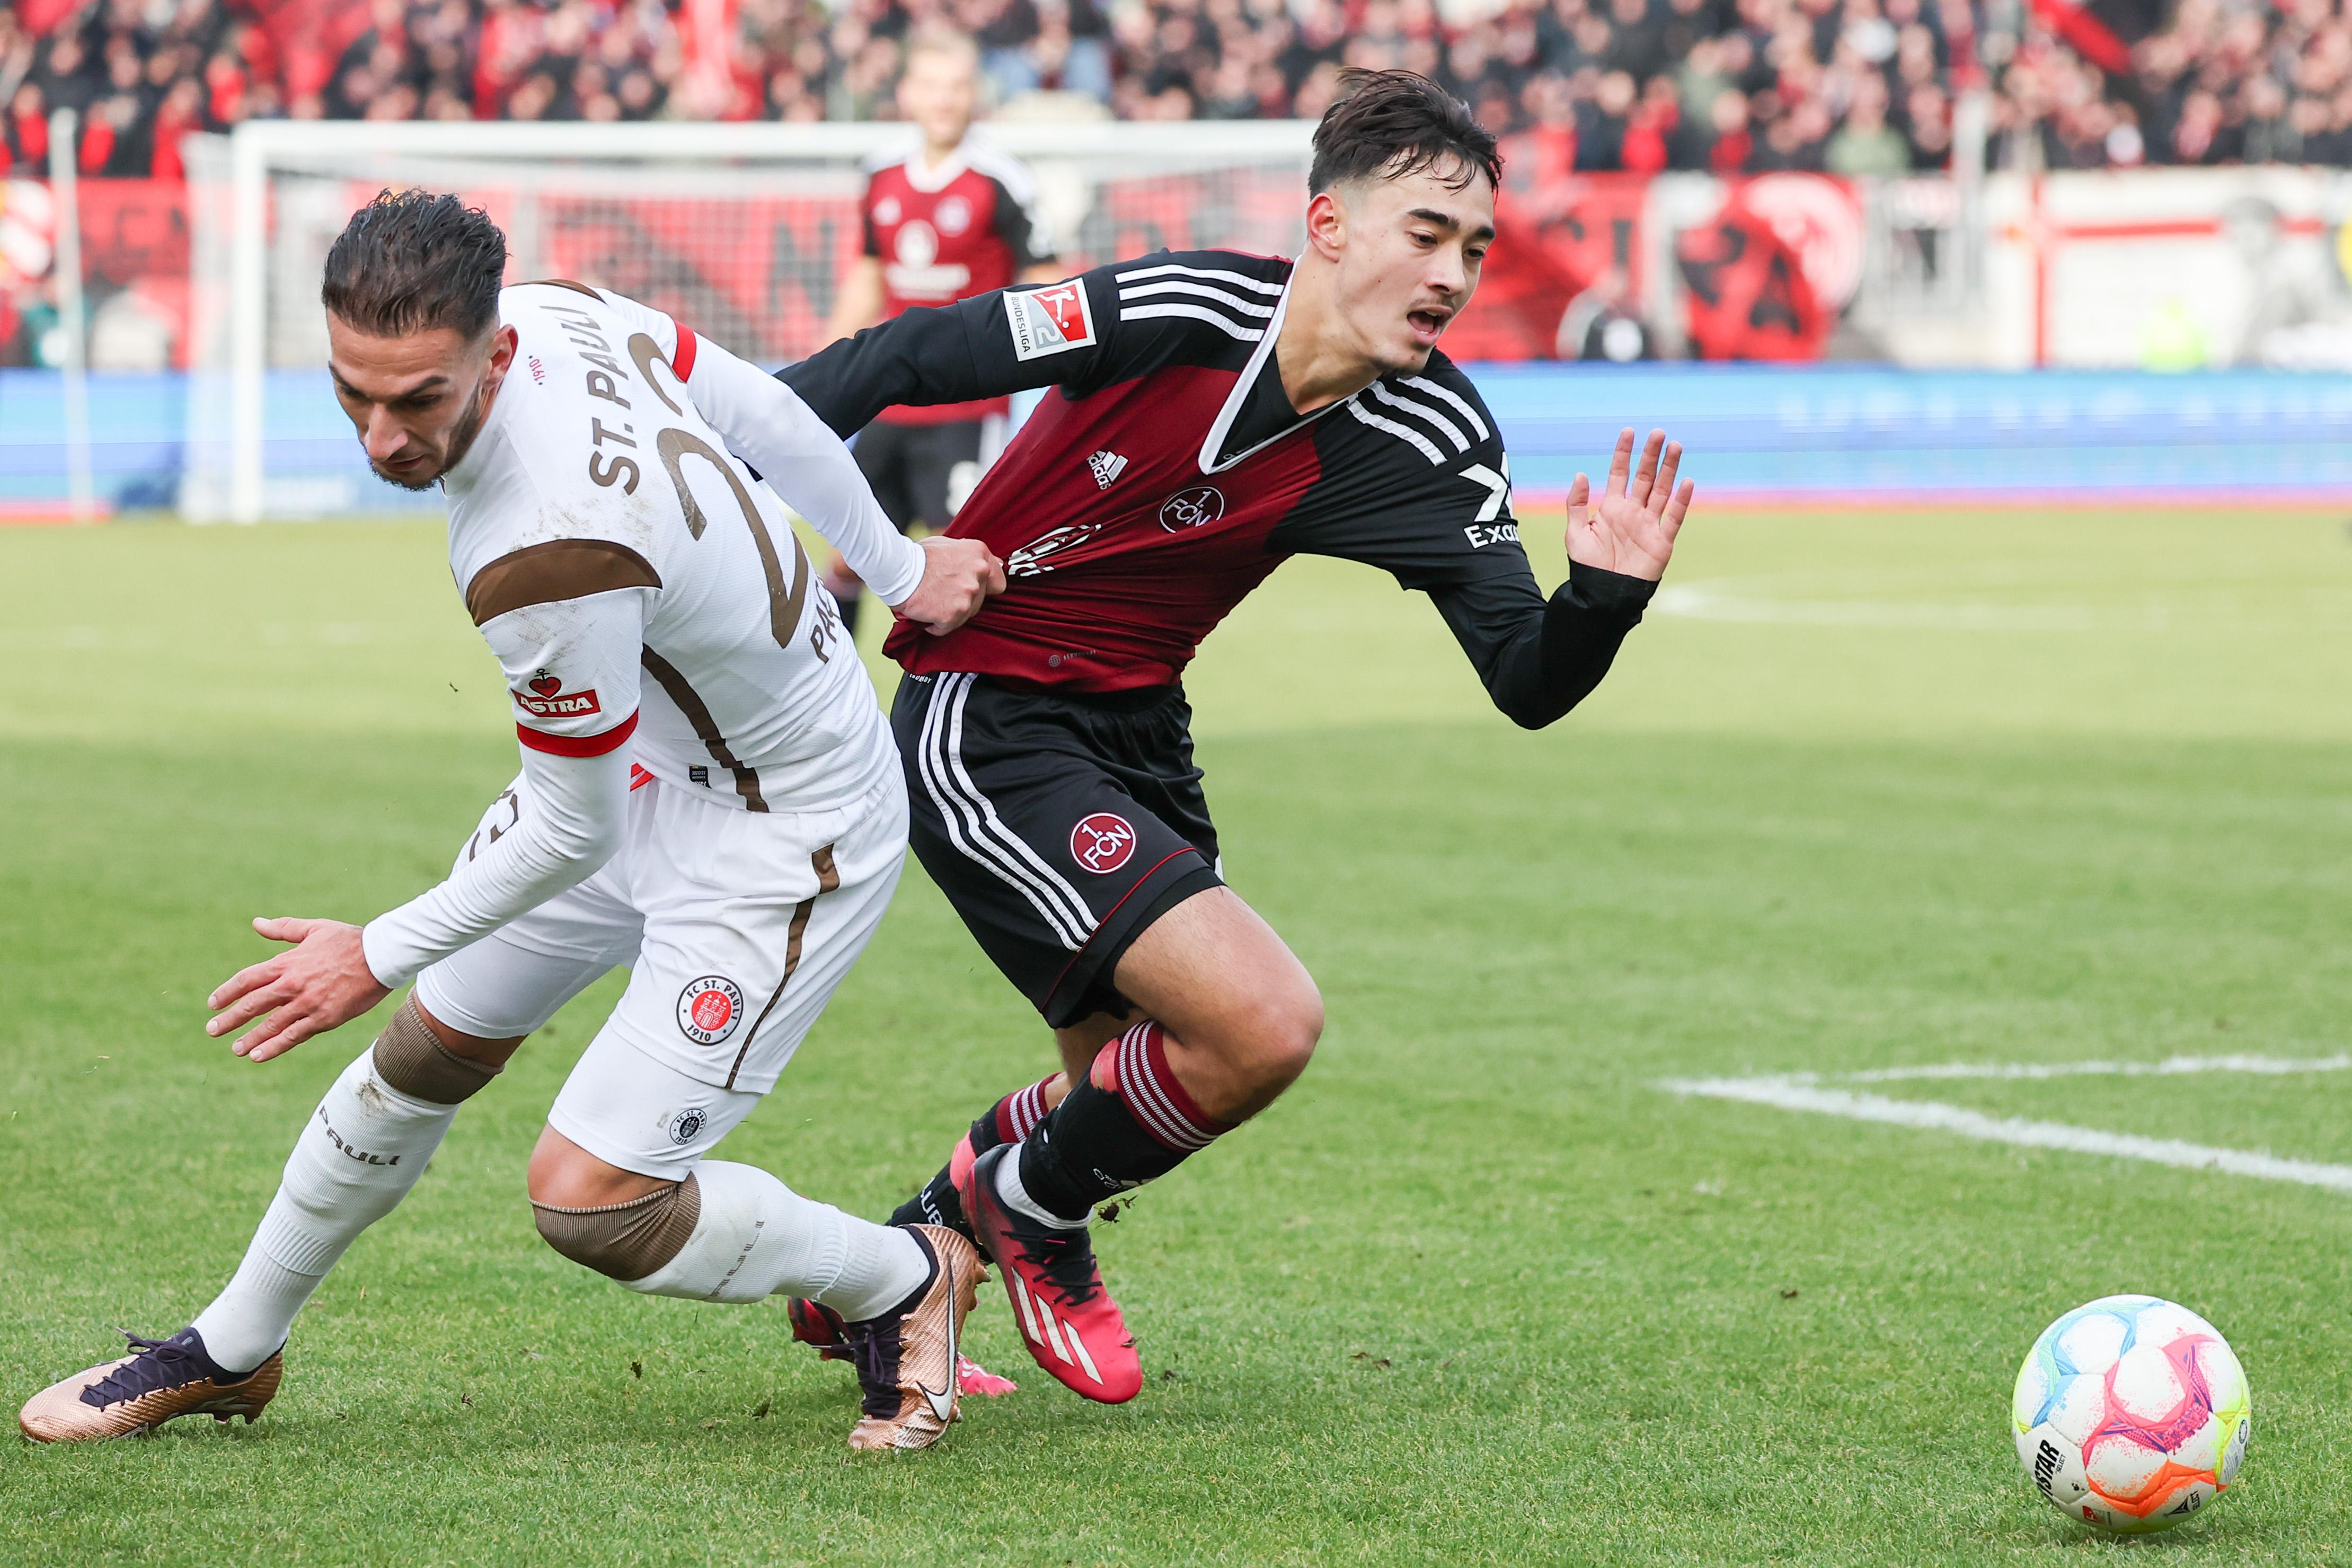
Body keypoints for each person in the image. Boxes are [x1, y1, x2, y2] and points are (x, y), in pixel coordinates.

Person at [17, 190, 1008, 1454]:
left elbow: (567, 831)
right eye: (350, 392)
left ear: (493, 354)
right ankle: (232, 1347)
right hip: (659, 758)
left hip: (782, 828)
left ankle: (899, 1273)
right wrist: (901, 562)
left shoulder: (540, 548)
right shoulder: (561, 309)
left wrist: (369, 948)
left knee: (594, 1204)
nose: (381, 436)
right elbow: (754, 404)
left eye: (417, 400)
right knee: (425, 1056)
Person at [775, 69, 1695, 1403]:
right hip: (990, 705)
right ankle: (1032, 1216)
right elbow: (914, 356)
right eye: (1426, 234)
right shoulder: (1180, 307)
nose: (1454, 273)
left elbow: (1526, 677)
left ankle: (893, 1273)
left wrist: (1603, 600)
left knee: (1120, 1086)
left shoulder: (1432, 434)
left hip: (1140, 729)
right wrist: (725, 450)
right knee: (1261, 1024)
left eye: (1477, 249)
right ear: (1328, 227)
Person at [819, 29, 1062, 637]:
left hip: (966, 404)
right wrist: (824, 363)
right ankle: (835, 703)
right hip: (885, 399)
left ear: (973, 94)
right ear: (907, 93)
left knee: (960, 561)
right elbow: (868, 273)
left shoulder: (1001, 177)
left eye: (956, 87)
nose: (944, 100)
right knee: (847, 559)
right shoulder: (880, 173)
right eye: (931, 86)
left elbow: (1048, 280)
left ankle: (956, 712)